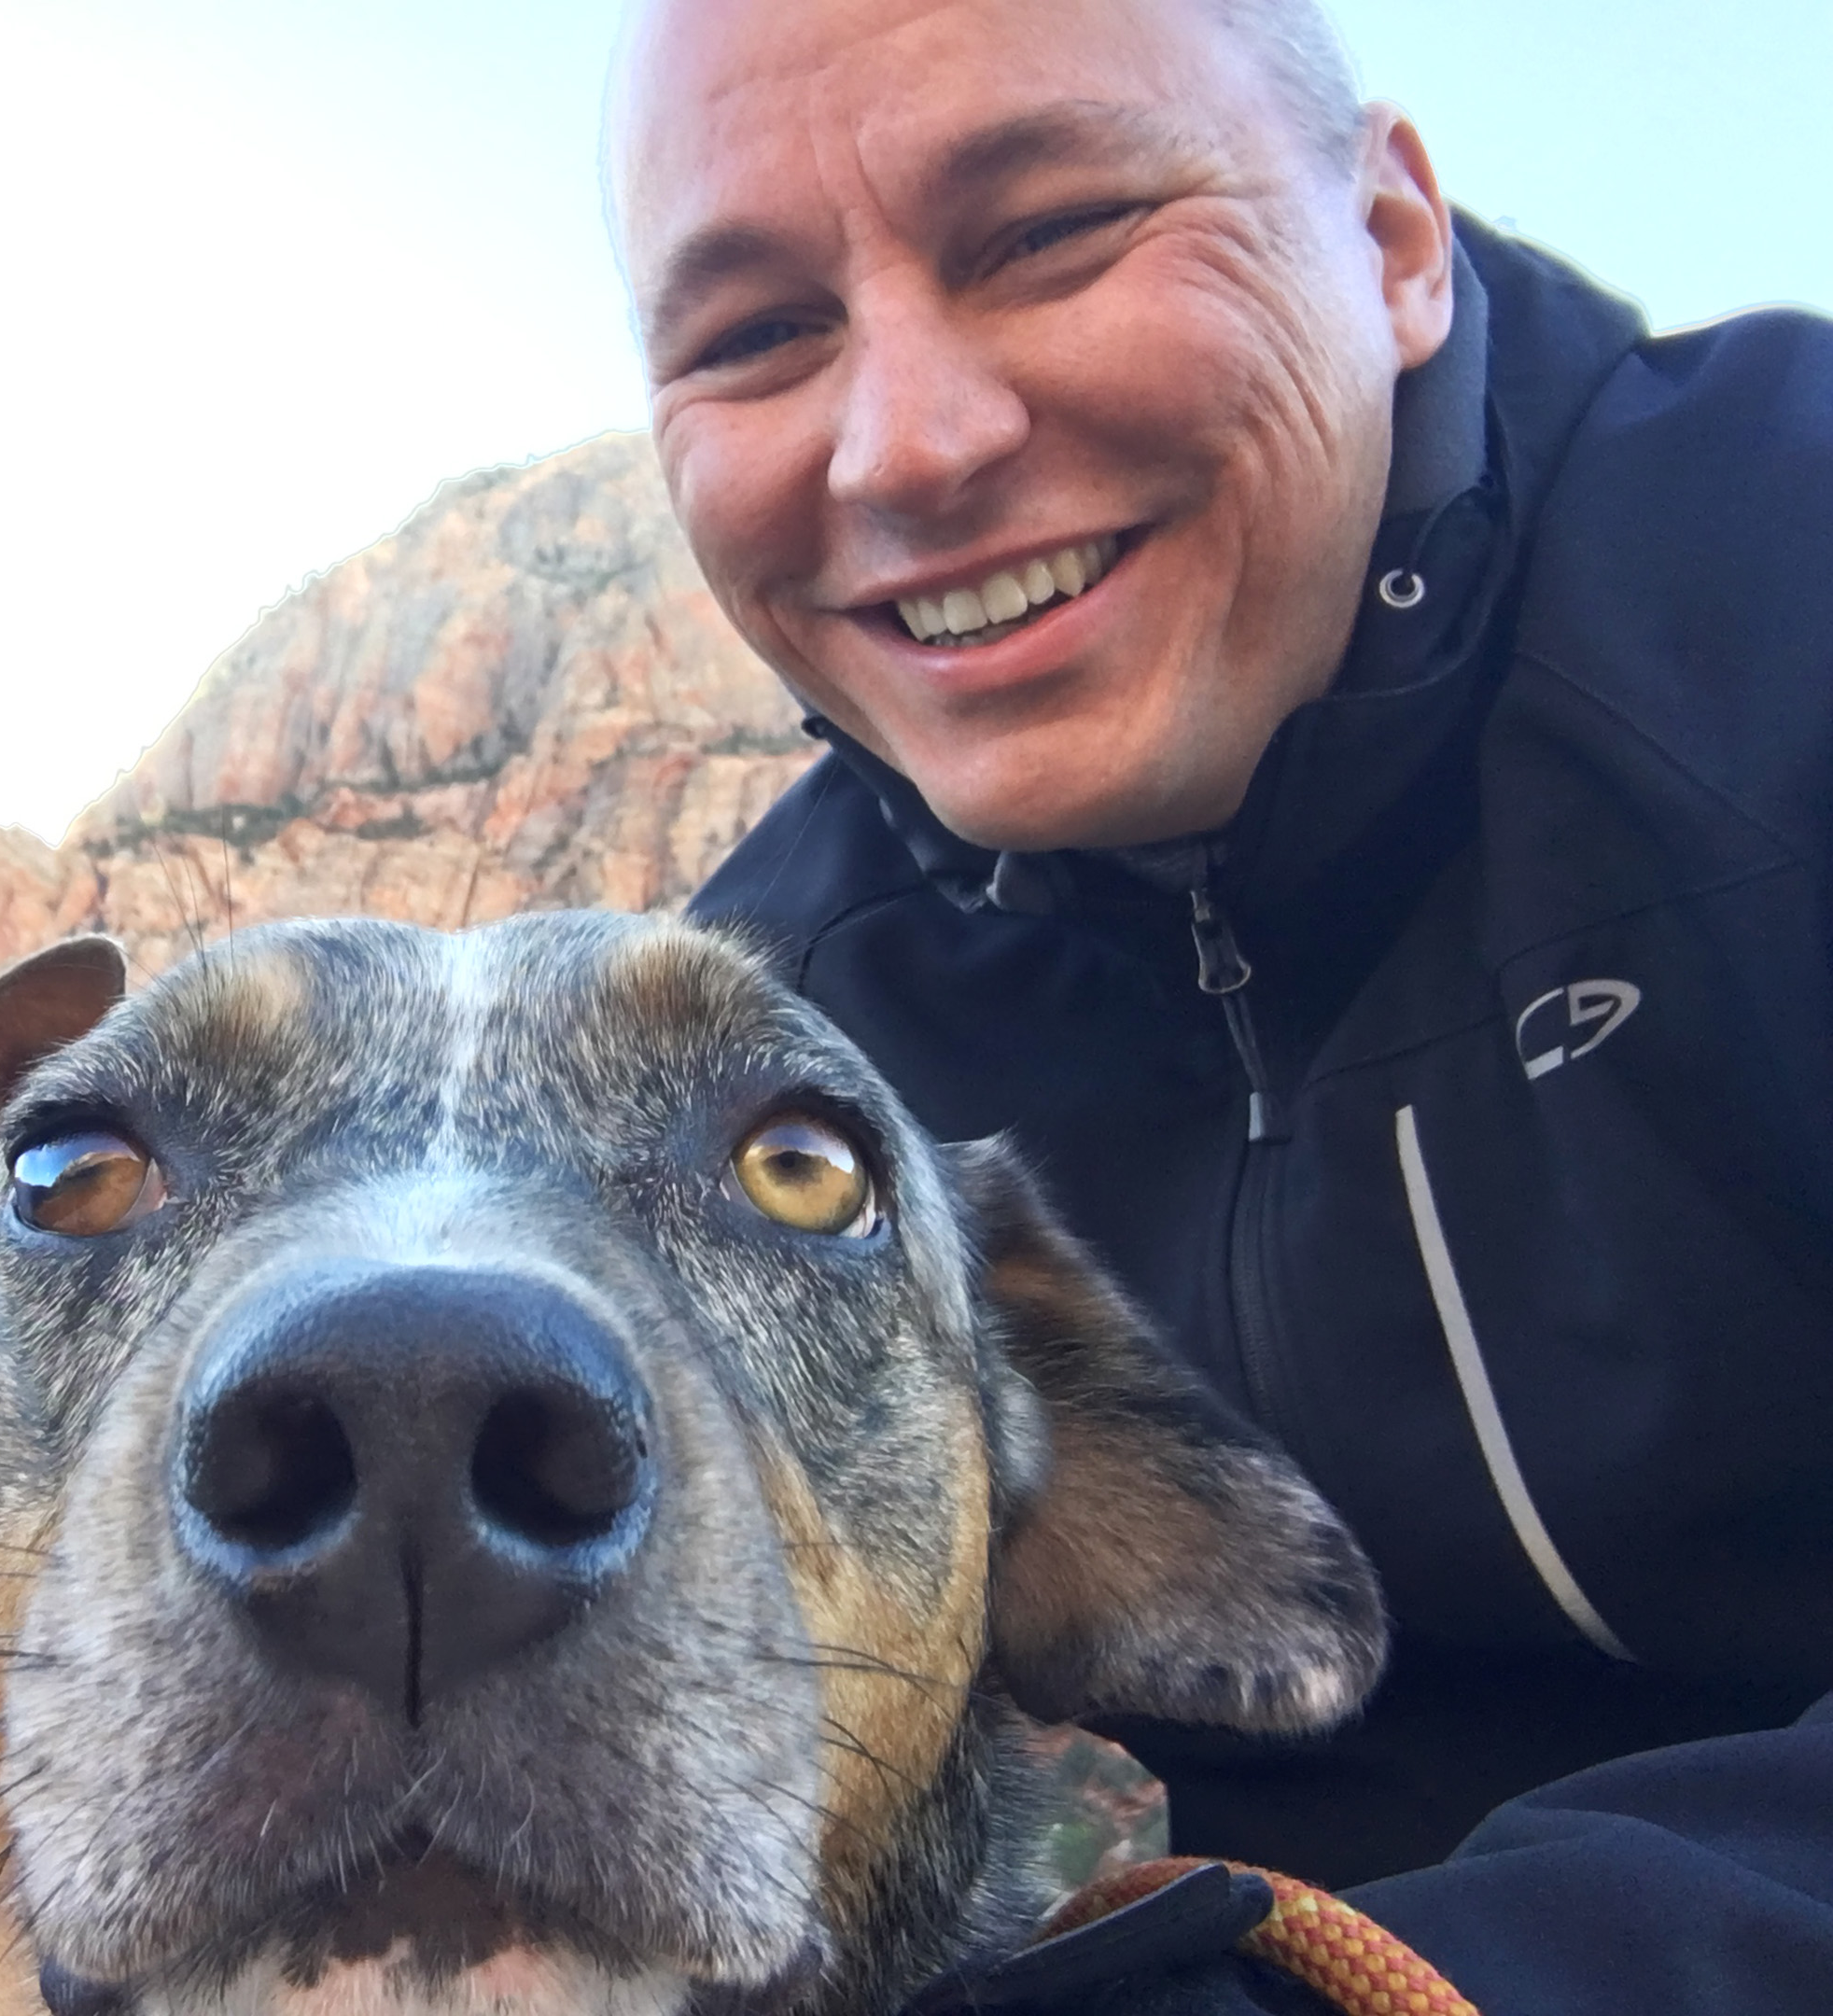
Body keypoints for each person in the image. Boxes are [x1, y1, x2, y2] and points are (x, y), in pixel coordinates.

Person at [615, 0, 1833, 2007]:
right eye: (754, 337)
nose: (909, 445)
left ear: (1394, 242)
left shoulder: (1779, 581)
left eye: (1053, 233)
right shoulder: (786, 1046)